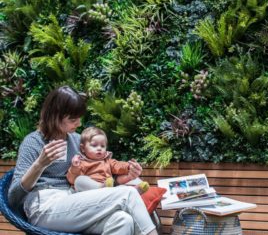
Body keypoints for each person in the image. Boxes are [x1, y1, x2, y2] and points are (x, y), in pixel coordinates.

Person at [8, 85, 158, 235]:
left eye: (79, 118)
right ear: (54, 116)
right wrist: (39, 165)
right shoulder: (33, 142)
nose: (79, 124)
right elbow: (13, 197)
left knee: (122, 220)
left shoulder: (77, 141)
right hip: (44, 206)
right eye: (73, 119)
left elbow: (101, 173)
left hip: (75, 200)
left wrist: (129, 174)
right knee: (127, 194)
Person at [67, 126, 149, 194]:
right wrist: (75, 167)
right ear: (83, 148)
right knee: (79, 180)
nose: (99, 148)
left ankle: (134, 190)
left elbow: (118, 165)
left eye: (102, 146)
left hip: (109, 187)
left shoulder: (107, 161)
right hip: (90, 190)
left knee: (133, 179)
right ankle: (102, 187)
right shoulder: (81, 162)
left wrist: (128, 166)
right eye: (94, 145)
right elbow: (72, 180)